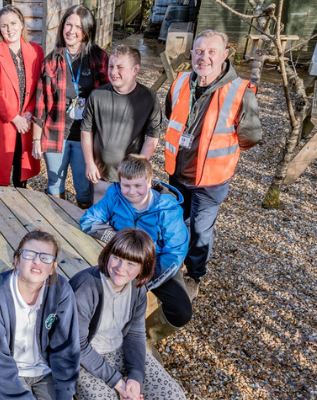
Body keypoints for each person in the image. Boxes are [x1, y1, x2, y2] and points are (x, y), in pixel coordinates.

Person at [164, 30, 262, 299]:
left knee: (200, 230)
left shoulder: (241, 91)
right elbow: (170, 112)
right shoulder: (181, 81)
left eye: (211, 52)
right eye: (198, 51)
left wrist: (220, 150)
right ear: (192, 53)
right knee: (173, 223)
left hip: (211, 180)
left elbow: (250, 135)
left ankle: (194, 275)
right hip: (178, 173)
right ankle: (170, 269)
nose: (203, 57)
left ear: (224, 56)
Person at [79, 154, 191, 362]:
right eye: (126, 185)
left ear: (149, 182)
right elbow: (88, 220)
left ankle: (146, 336)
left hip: (155, 264)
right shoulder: (115, 194)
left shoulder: (167, 209)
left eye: (138, 186)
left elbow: (175, 253)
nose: (131, 192)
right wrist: (118, 239)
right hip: (121, 258)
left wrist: (144, 282)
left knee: (182, 311)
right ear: (119, 182)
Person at [70, 228, 187, 400]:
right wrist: (117, 382)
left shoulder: (137, 289)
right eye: (116, 258)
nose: (120, 268)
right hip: (85, 359)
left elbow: (135, 333)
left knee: (175, 396)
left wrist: (135, 377)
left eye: (131, 264)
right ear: (108, 254)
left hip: (119, 350)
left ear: (142, 267)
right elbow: (77, 344)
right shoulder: (85, 287)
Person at [0, 230, 80, 400]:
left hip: (46, 372)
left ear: (52, 268)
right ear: (17, 261)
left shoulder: (61, 290)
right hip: (8, 376)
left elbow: (66, 346)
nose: (37, 261)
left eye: (45, 257)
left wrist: (65, 392)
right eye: (29, 254)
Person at [32, 5, 109, 209]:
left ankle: (82, 225)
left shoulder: (99, 59)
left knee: (84, 188)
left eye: (77, 26)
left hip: (86, 137)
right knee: (54, 183)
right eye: (68, 25)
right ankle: (57, 223)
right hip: (56, 133)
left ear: (86, 31)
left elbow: (109, 98)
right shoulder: (51, 60)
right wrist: (36, 139)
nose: (71, 31)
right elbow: (40, 103)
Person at [80, 45, 161, 205]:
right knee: (100, 220)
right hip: (100, 175)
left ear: (135, 69)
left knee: (126, 222)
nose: (113, 72)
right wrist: (89, 162)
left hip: (130, 180)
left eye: (120, 67)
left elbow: (152, 136)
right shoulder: (97, 95)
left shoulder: (149, 98)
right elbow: (86, 130)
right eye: (111, 66)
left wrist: (140, 169)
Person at [0, 5, 44, 187]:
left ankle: (20, 207)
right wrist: (15, 118)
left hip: (26, 120)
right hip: (3, 122)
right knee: (1, 175)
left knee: (21, 173)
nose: (9, 29)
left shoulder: (36, 51)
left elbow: (39, 85)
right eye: (4, 25)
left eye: (13, 23)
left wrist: (29, 112)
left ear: (21, 24)